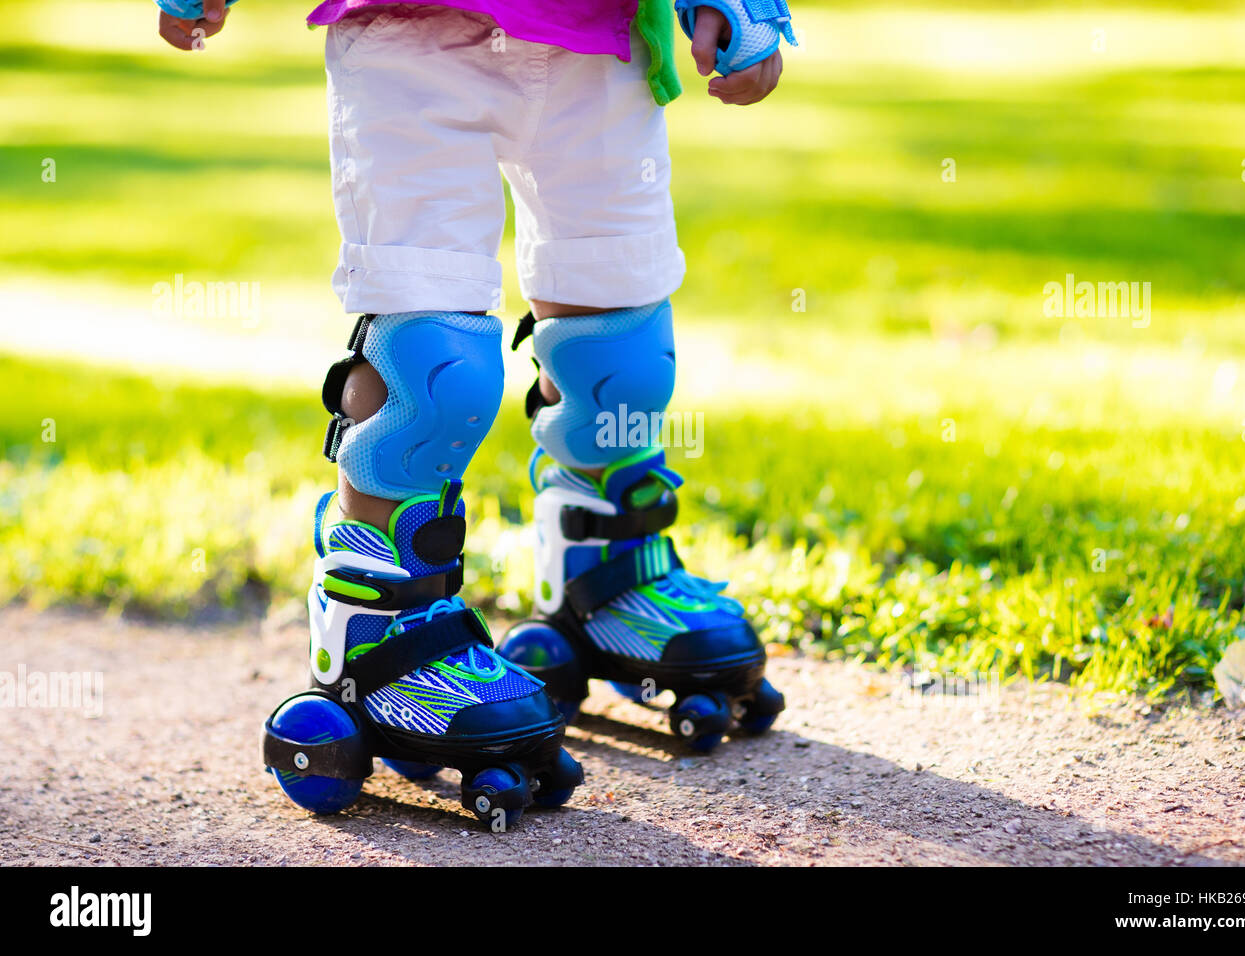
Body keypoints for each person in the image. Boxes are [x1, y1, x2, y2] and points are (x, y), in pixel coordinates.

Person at [156, 0, 795, 827]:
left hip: (595, 35)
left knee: (623, 353)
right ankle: (376, 628)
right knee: (434, 367)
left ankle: (607, 574)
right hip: (407, 35)